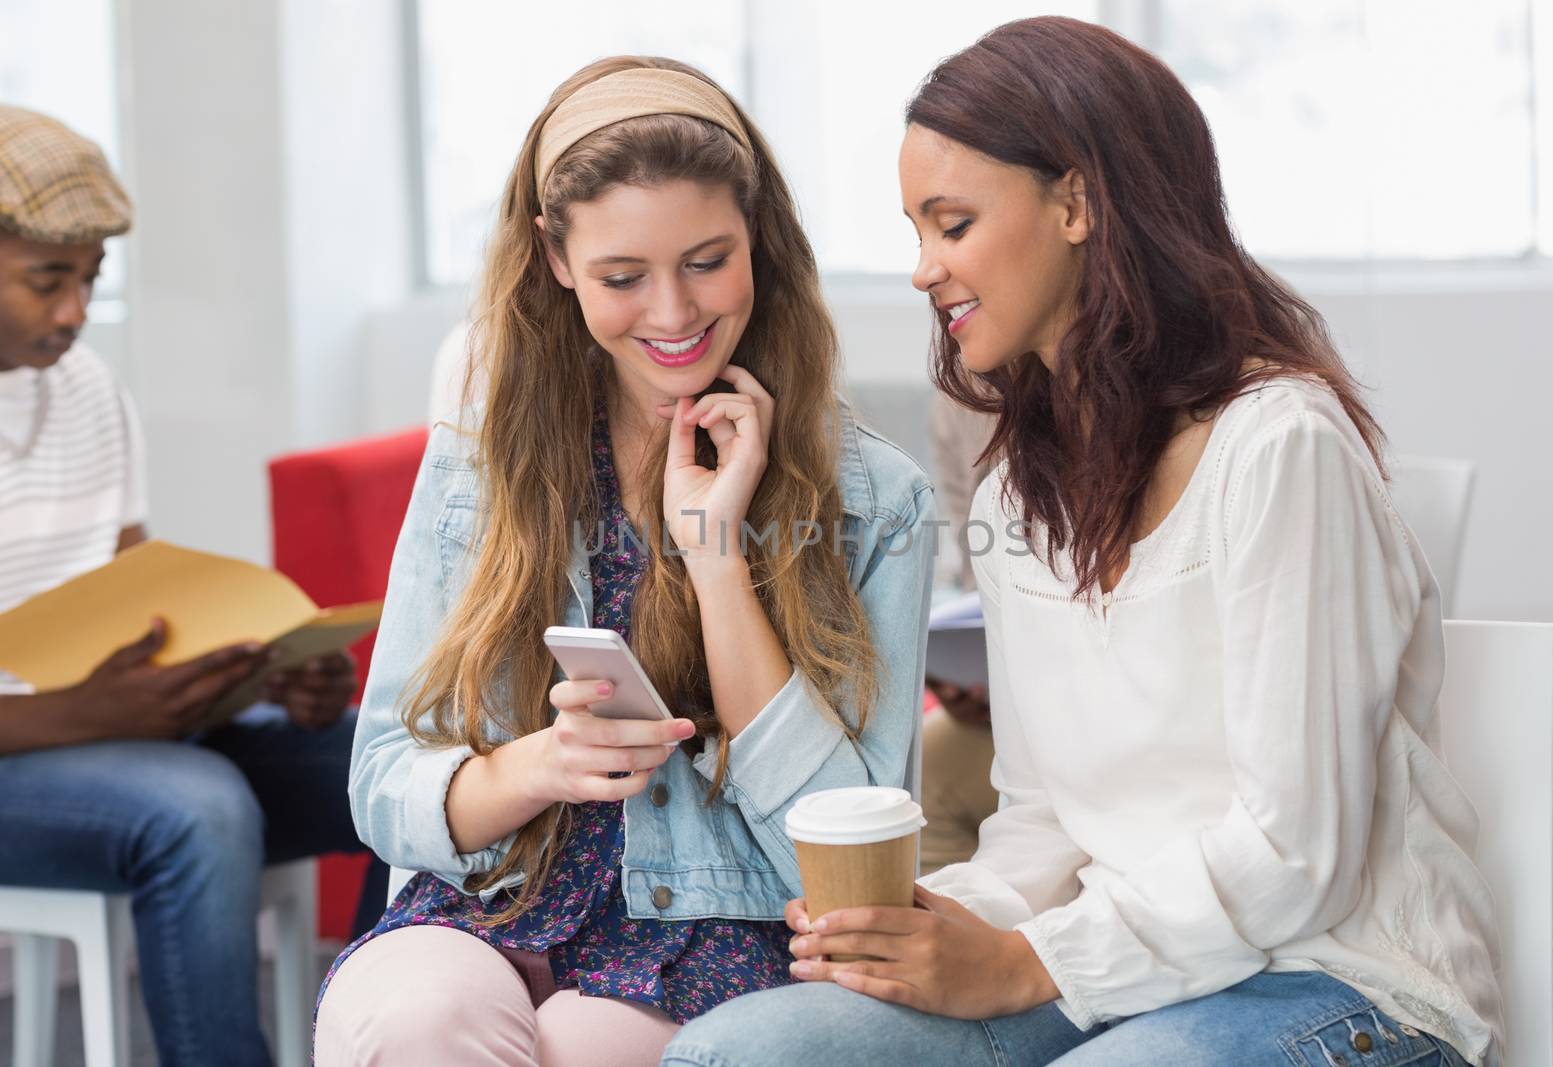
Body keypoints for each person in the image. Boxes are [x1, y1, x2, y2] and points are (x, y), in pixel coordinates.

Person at [663, 17, 1501, 1067]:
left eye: (952, 222)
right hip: (1120, 969)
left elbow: (1299, 855)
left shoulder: (1279, 445)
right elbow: (1045, 818)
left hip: (1336, 976)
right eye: (916, 229)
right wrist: (933, 923)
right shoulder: (1021, 486)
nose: (923, 268)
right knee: (733, 1050)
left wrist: (1026, 962)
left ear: (1077, 203)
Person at [313, 56, 934, 1066]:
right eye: (621, 276)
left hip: (713, 935)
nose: (673, 312)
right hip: (486, 907)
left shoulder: (875, 500)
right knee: (416, 1021)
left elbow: (836, 863)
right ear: (558, 259)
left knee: (582, 1045)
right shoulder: (478, 463)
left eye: (706, 259)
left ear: (758, 243)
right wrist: (537, 766)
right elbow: (383, 783)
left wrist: (716, 553)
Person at [0, 104, 380, 1066]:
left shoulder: (86, 389)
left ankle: (382, 1040)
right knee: (195, 807)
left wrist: (261, 673)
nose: (75, 312)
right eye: (48, 280)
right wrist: (87, 714)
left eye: (89, 280)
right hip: (42, 748)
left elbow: (134, 597)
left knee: (394, 767)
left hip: (113, 734)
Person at [918, 392, 999, 875]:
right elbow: (981, 581)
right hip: (1012, 704)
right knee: (925, 764)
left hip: (1107, 694)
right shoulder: (958, 400)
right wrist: (953, 668)